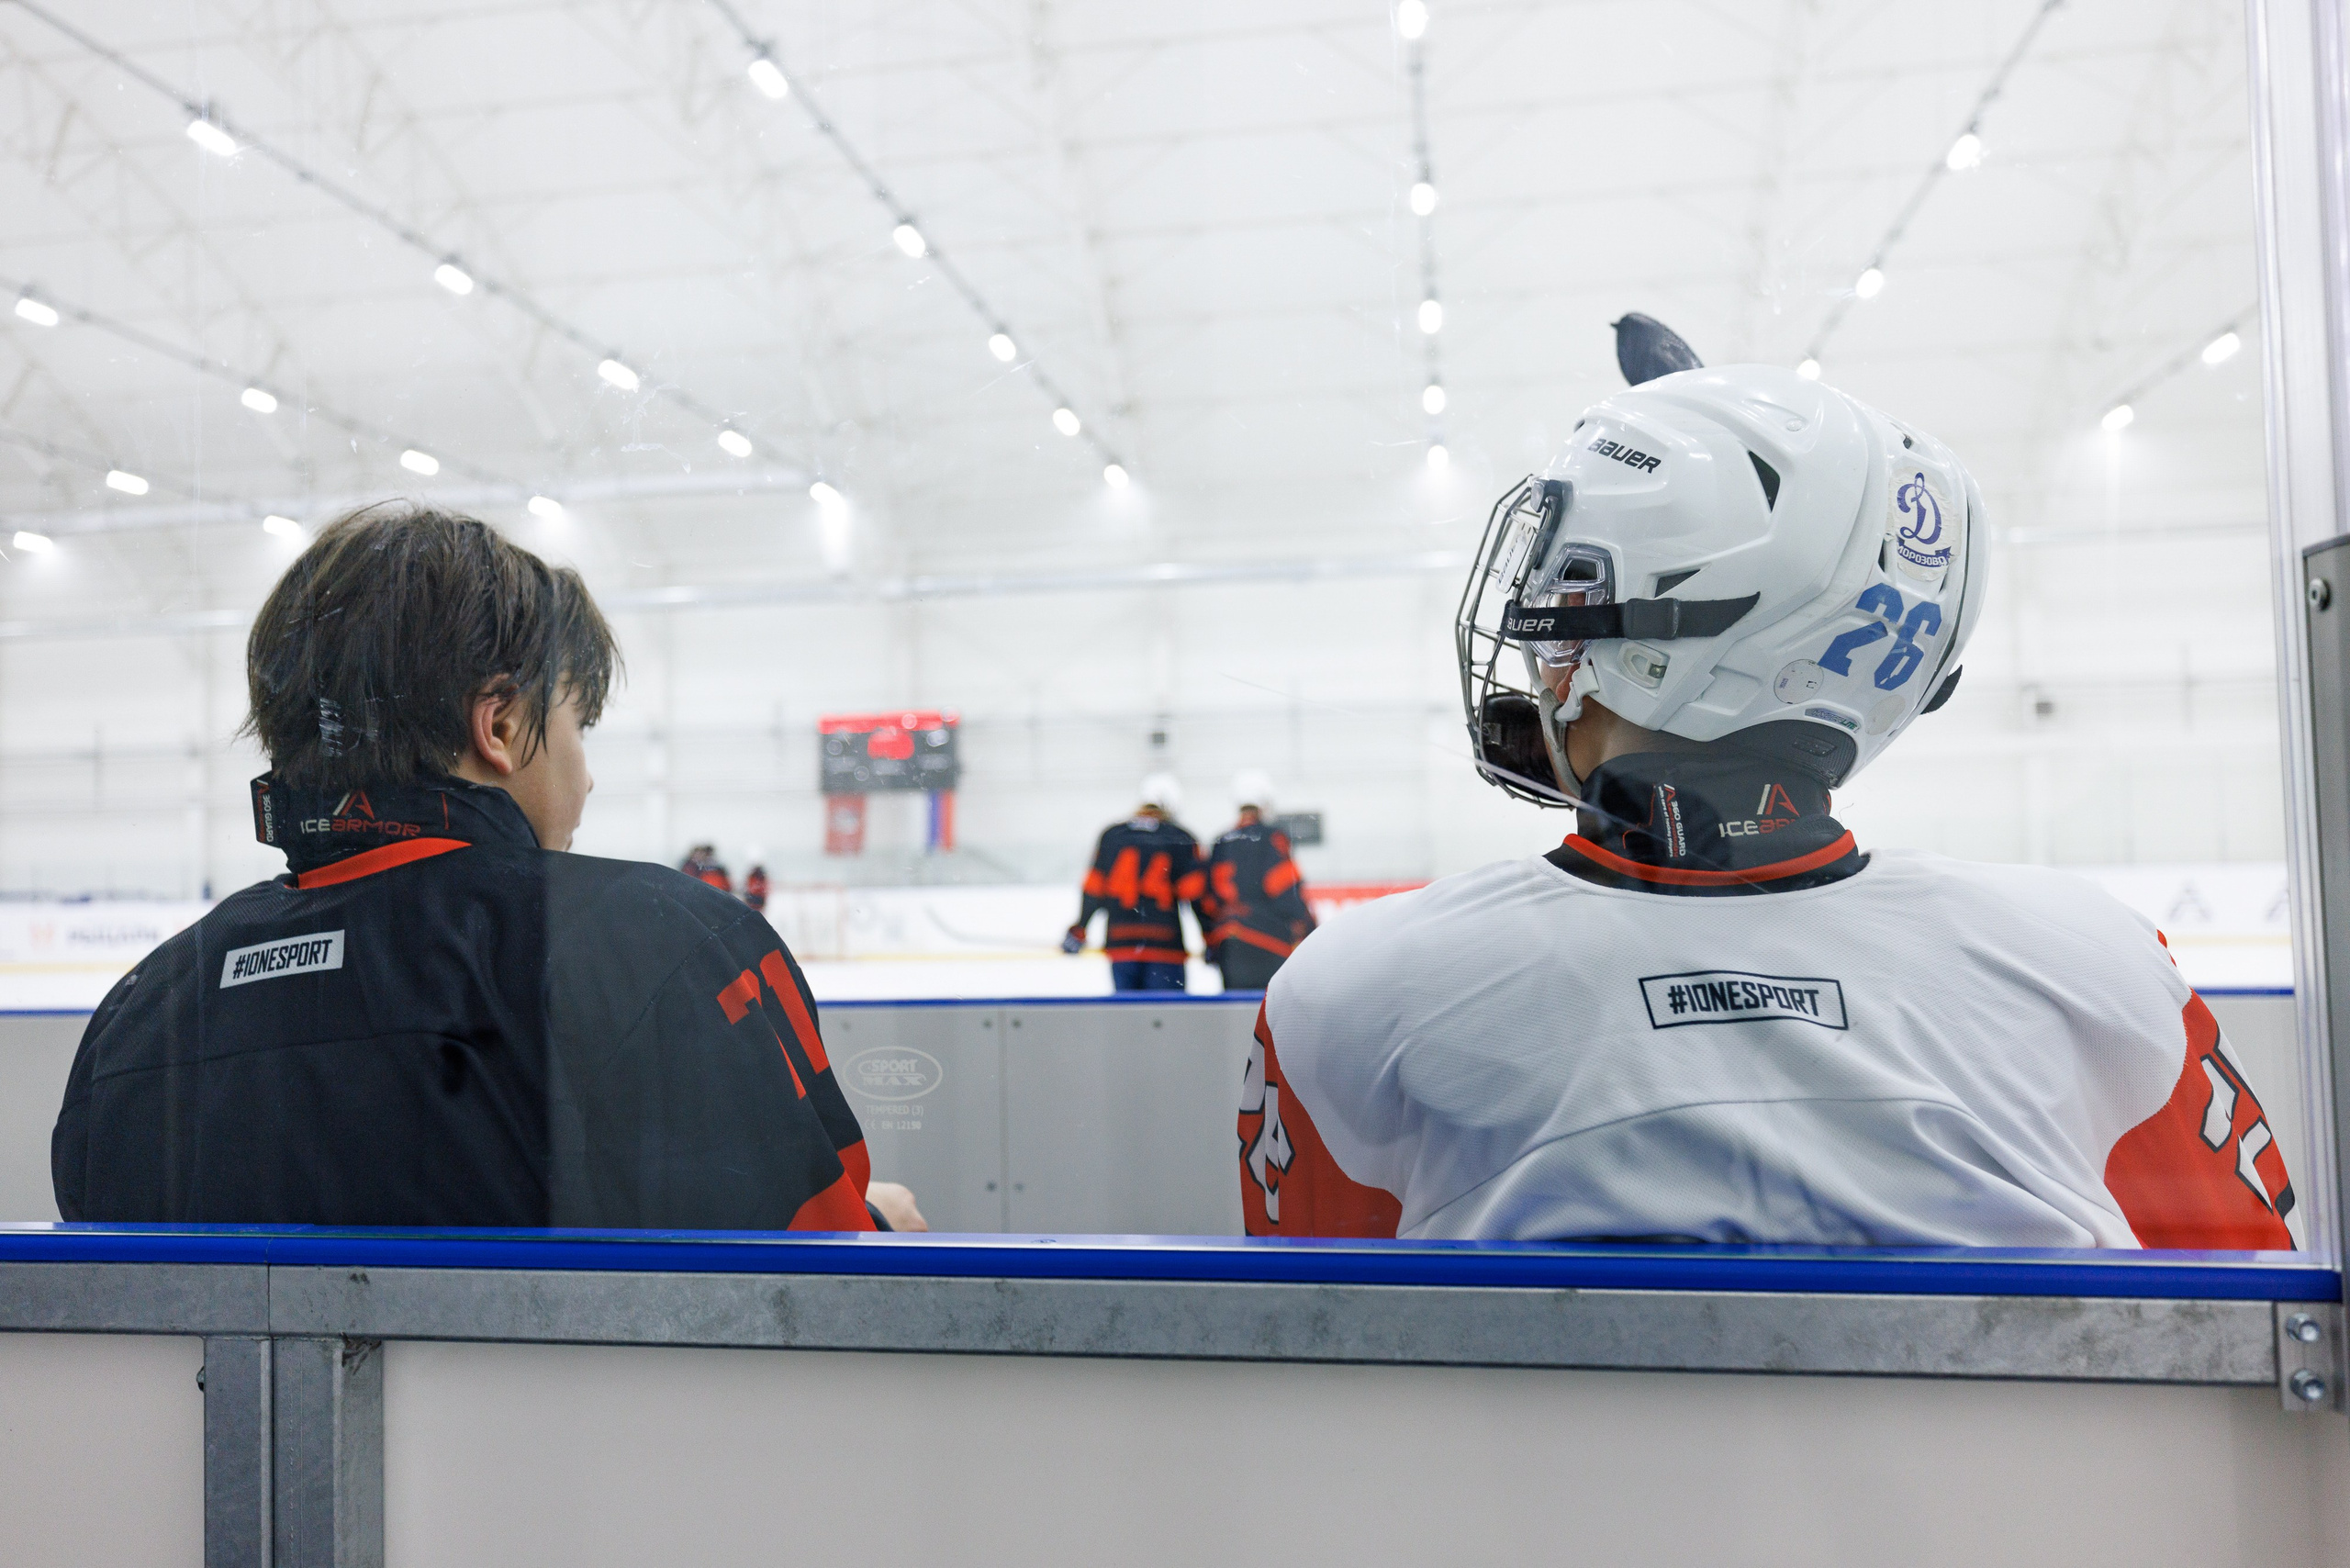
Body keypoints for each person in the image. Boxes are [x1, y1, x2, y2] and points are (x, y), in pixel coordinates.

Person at [1239, 364, 2297, 1250]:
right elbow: (2245, 1318)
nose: (1541, 636)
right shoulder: (2098, 963)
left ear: (1643, 642)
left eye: (1564, 587)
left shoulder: (1356, 990)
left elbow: (1325, 1354)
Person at [52, 503, 923, 1233]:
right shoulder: (661, 946)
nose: (586, 774)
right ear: (499, 725)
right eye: (579, 726)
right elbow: (808, 1295)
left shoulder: (143, 1011)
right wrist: (879, 1223)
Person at [1062, 773, 1207, 991]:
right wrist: (1212, 937)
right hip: (1165, 945)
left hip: (1122, 944)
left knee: (1128, 1020)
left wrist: (1080, 928)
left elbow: (1094, 889)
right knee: (1169, 1020)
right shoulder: (1181, 838)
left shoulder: (1112, 836)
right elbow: (1197, 895)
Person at [1203, 771, 1315, 991]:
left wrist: (1212, 939)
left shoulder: (1221, 841)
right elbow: (1284, 889)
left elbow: (1206, 899)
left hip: (1229, 940)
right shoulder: (1272, 837)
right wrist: (1307, 925)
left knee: (1236, 1015)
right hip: (1268, 939)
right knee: (1267, 1016)